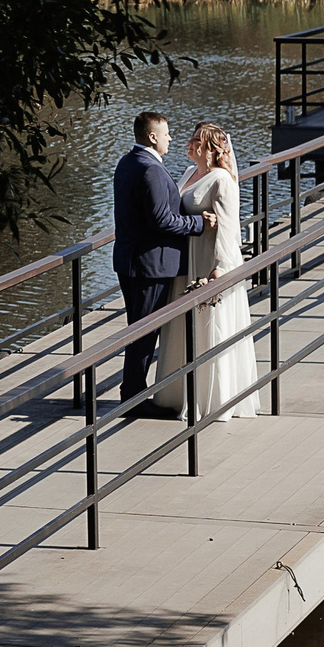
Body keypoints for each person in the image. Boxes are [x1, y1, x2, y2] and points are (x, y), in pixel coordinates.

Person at [154, 123, 262, 421]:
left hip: (206, 262)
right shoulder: (190, 174)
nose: (188, 143)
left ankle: (213, 399)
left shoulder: (222, 181)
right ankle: (177, 394)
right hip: (185, 262)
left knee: (208, 327)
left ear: (211, 150)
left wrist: (220, 271)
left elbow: (228, 230)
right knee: (181, 328)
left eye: (195, 141)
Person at [111, 111, 216, 416]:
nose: (171, 138)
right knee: (144, 332)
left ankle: (132, 394)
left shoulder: (127, 162)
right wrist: (199, 224)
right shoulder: (151, 170)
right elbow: (162, 221)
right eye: (167, 133)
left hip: (131, 260)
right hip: (150, 265)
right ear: (153, 136)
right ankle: (132, 399)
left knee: (139, 329)